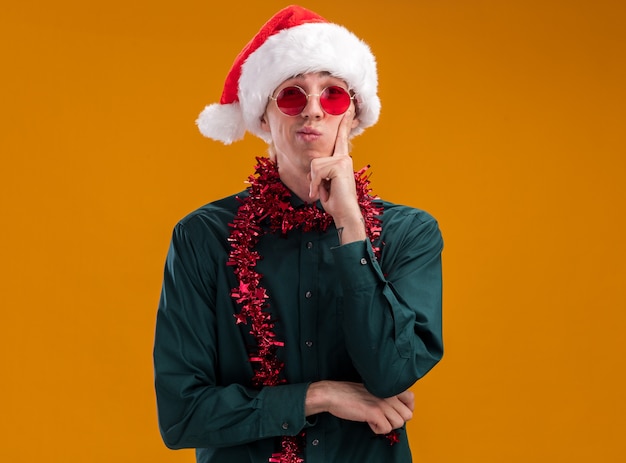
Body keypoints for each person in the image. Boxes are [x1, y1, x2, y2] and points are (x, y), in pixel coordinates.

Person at [153, 5, 443, 463]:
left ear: (353, 116)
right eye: (291, 95)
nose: (312, 110)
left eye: (332, 96)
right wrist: (321, 395)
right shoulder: (203, 237)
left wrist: (350, 226)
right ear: (264, 118)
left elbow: (391, 372)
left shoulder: (410, 233)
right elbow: (181, 415)